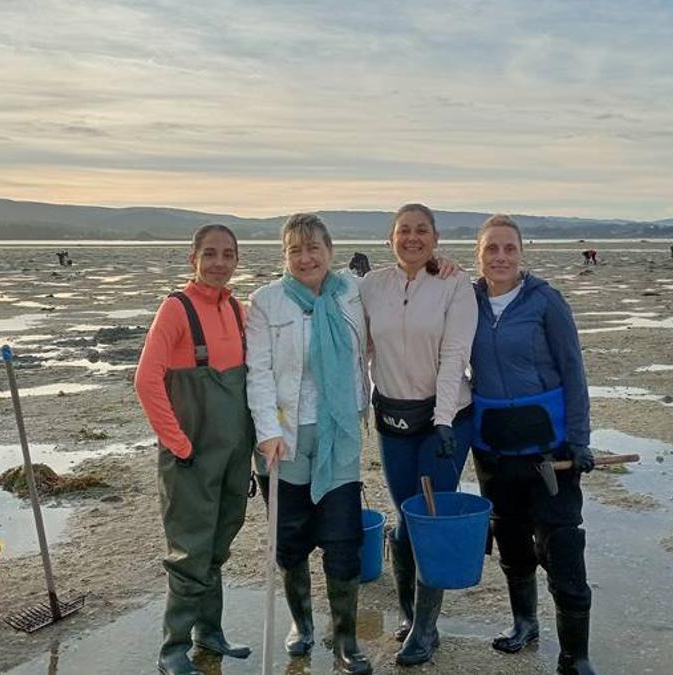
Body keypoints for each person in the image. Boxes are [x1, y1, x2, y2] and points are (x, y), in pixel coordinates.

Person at [469, 214, 597, 675]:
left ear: (521, 253)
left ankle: (575, 656)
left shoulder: (546, 302)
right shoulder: (467, 301)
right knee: (511, 542)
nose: (500, 257)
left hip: (550, 451)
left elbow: (573, 374)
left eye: (508, 248)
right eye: (491, 249)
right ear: (478, 254)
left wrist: (580, 441)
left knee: (562, 547)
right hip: (494, 451)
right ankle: (525, 623)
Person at [245, 213, 373, 674]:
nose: (306, 257)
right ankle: (301, 624)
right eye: (295, 249)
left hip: (339, 434)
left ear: (330, 251)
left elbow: (407, 286)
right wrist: (268, 432)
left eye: (314, 247)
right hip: (286, 438)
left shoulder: (353, 292)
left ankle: (346, 640)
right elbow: (256, 372)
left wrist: (443, 266)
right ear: (284, 256)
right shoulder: (266, 302)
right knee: (291, 540)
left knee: (343, 541)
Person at [359, 203, 477, 666]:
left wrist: (445, 418)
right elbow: (359, 346)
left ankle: (426, 630)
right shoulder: (372, 286)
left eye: (421, 231)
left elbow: (454, 355)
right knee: (403, 518)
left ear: (436, 237)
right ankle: (408, 614)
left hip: (444, 421)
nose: (413, 238)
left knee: (428, 518)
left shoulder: (454, 283)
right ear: (390, 238)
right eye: (404, 231)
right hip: (393, 419)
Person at [134, 224, 255, 675]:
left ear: (236, 261)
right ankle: (172, 649)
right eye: (210, 254)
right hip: (189, 458)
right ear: (193, 259)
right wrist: (178, 443)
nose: (219, 263)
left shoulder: (238, 310)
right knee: (189, 552)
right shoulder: (175, 310)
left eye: (227, 255)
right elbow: (146, 381)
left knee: (218, 544)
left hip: (233, 455)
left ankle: (211, 632)